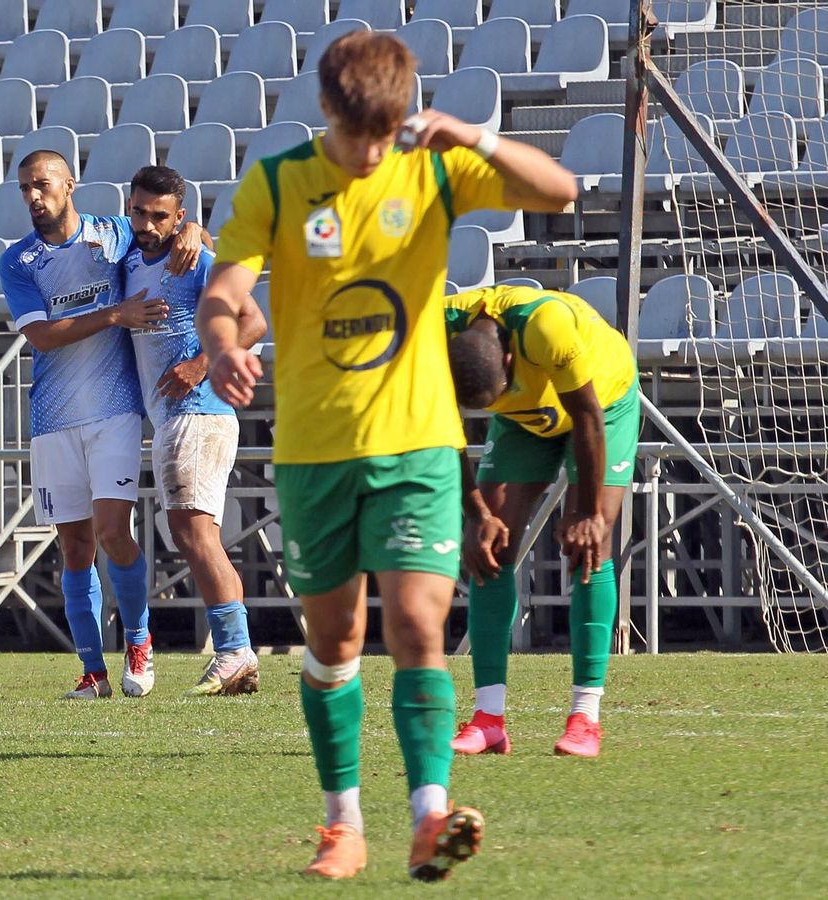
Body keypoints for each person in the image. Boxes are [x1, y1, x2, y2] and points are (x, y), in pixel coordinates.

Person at [194, 31, 577, 881]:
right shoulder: (282, 182)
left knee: (414, 626)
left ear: (401, 114)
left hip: (418, 447)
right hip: (315, 453)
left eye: (384, 132)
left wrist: (472, 135)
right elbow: (223, 290)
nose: (371, 152)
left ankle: (428, 818)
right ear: (329, 110)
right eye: (357, 133)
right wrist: (222, 344)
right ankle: (342, 825)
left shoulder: (432, 166)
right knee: (334, 641)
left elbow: (561, 188)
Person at [0, 149, 204, 700]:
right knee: (74, 548)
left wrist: (196, 231)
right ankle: (93, 672)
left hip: (114, 411)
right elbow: (40, 336)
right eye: (24, 189)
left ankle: (139, 644)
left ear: (70, 183)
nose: (33, 197)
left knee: (114, 534)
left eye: (42, 184)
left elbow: (174, 234)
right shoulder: (17, 261)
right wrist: (114, 314)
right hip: (52, 418)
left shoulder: (115, 233)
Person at [444, 284, 640, 759]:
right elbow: (442, 434)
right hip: (523, 421)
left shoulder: (546, 326)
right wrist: (476, 516)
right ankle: (489, 719)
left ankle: (585, 718)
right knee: (489, 548)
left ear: (508, 362)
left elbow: (587, 416)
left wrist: (591, 513)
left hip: (601, 404)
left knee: (590, 544)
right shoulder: (434, 335)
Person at [121, 165, 268, 697]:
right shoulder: (130, 259)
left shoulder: (198, 260)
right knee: (192, 531)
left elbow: (252, 322)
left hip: (199, 410)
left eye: (161, 216)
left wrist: (201, 363)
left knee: (193, 531)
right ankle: (238, 652)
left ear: (178, 217)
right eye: (139, 211)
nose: (147, 223)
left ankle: (233, 650)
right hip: (171, 416)